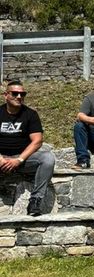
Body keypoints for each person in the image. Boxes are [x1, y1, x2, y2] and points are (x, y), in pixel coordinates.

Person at [0, 79, 56, 216]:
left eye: (22, 94)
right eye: (14, 93)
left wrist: (19, 159)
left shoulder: (30, 114)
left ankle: (35, 201)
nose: (19, 97)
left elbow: (37, 141)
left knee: (47, 158)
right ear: (5, 95)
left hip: (22, 158)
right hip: (1, 158)